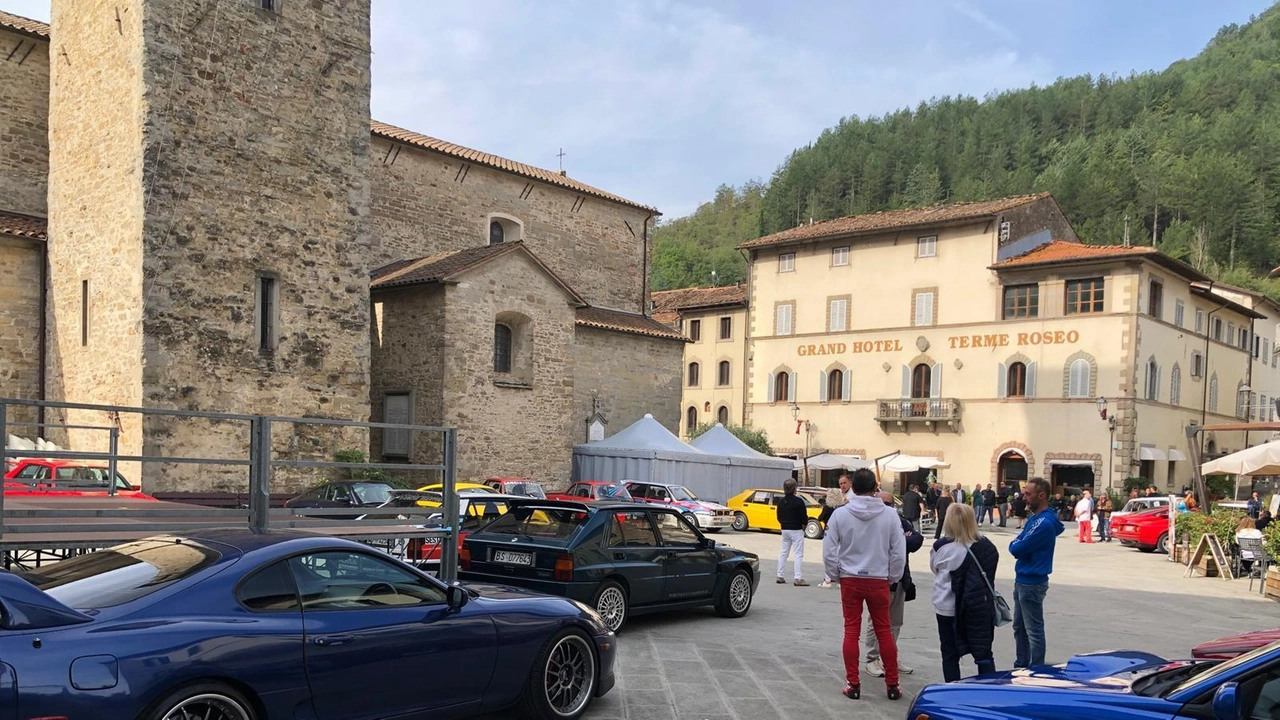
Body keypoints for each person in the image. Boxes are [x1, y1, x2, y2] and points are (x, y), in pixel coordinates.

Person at [822, 468, 907, 701]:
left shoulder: (840, 515)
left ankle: (853, 684)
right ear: (874, 488)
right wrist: (893, 576)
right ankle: (892, 685)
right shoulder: (890, 515)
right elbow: (899, 552)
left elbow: (829, 551)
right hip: (879, 578)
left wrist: (835, 574)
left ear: (852, 487)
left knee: (851, 630)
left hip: (850, 577)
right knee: (884, 631)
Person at [931, 503, 999, 682]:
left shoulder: (941, 547)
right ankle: (988, 690)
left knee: (949, 654)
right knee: (983, 653)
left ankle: (953, 689)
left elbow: (935, 569)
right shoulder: (987, 547)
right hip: (978, 607)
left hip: (947, 606)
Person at [865, 491, 923, 679]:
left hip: (901, 579)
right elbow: (878, 545)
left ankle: (889, 656)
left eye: (890, 503)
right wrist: (900, 540)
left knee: (895, 622)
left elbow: (917, 539)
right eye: (884, 503)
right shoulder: (871, 522)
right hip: (879, 578)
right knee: (875, 621)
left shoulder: (900, 520)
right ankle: (871, 659)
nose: (888, 507)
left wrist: (898, 541)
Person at [1008, 476, 1064, 669]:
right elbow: (1019, 542)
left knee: (1033, 630)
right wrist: (1017, 543)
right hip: (1024, 579)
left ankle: (1036, 669)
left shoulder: (1043, 523)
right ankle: (1022, 664)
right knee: (1020, 628)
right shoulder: (1035, 519)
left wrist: (1017, 544)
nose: (1024, 497)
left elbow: (1016, 548)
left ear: (1041, 496)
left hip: (1031, 582)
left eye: (1028, 494)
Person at [775, 479, 809, 586]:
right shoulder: (799, 501)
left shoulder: (781, 501)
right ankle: (798, 578)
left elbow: (779, 517)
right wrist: (803, 526)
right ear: (795, 489)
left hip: (785, 529)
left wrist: (784, 524)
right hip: (797, 529)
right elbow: (804, 517)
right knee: (798, 554)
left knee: (783, 553)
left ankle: (780, 575)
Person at [818, 487, 848, 588]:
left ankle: (827, 580)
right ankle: (840, 581)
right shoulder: (842, 508)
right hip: (842, 532)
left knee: (829, 554)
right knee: (840, 556)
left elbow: (820, 518)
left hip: (829, 531)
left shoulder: (827, 507)